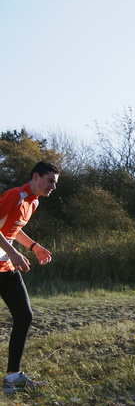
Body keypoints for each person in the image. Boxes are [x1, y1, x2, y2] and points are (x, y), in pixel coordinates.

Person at [0, 161, 59, 393]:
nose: (53, 186)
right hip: (7, 261)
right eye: (50, 181)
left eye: (55, 183)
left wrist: (33, 246)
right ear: (36, 177)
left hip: (5, 268)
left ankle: (12, 377)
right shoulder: (15, 195)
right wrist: (14, 253)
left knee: (24, 316)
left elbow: (12, 229)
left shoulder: (32, 202)